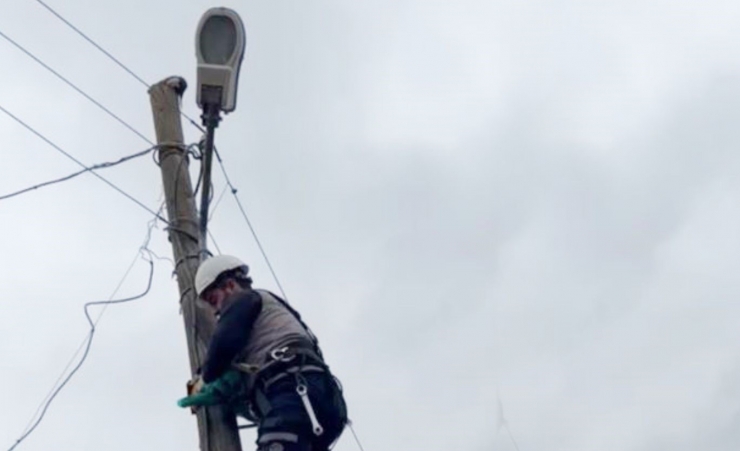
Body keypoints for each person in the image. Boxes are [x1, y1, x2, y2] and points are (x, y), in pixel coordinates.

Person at [177, 255, 348, 451]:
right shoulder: (271, 316)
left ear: (230, 285)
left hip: (292, 391)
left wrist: (205, 378)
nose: (216, 311)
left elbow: (224, 343)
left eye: (214, 300)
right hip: (319, 398)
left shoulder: (245, 298)